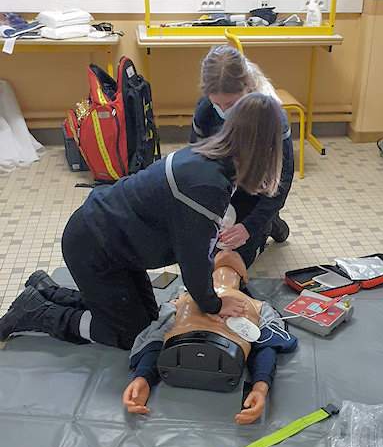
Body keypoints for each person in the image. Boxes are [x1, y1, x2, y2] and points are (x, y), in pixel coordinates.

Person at [0, 93, 283, 350]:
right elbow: (195, 261)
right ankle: (38, 312)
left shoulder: (209, 153)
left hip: (110, 241)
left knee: (147, 320)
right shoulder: (207, 186)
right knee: (131, 335)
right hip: (94, 248)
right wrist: (214, 304)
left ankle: (46, 290)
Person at [123, 250, 298, 424]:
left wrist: (260, 387)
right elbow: (158, 335)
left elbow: (266, 345)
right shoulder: (184, 298)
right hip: (202, 350)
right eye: (220, 267)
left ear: (242, 278)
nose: (224, 273)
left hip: (210, 351)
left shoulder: (258, 307)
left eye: (230, 268)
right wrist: (143, 378)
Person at [190, 45, 294, 266]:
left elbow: (282, 181)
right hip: (222, 183)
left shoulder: (271, 114)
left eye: (230, 103)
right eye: (217, 103)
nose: (223, 110)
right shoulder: (205, 109)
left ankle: (270, 223)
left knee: (236, 257)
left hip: (255, 186)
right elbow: (195, 164)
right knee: (204, 250)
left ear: (247, 86)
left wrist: (249, 226)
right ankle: (264, 220)